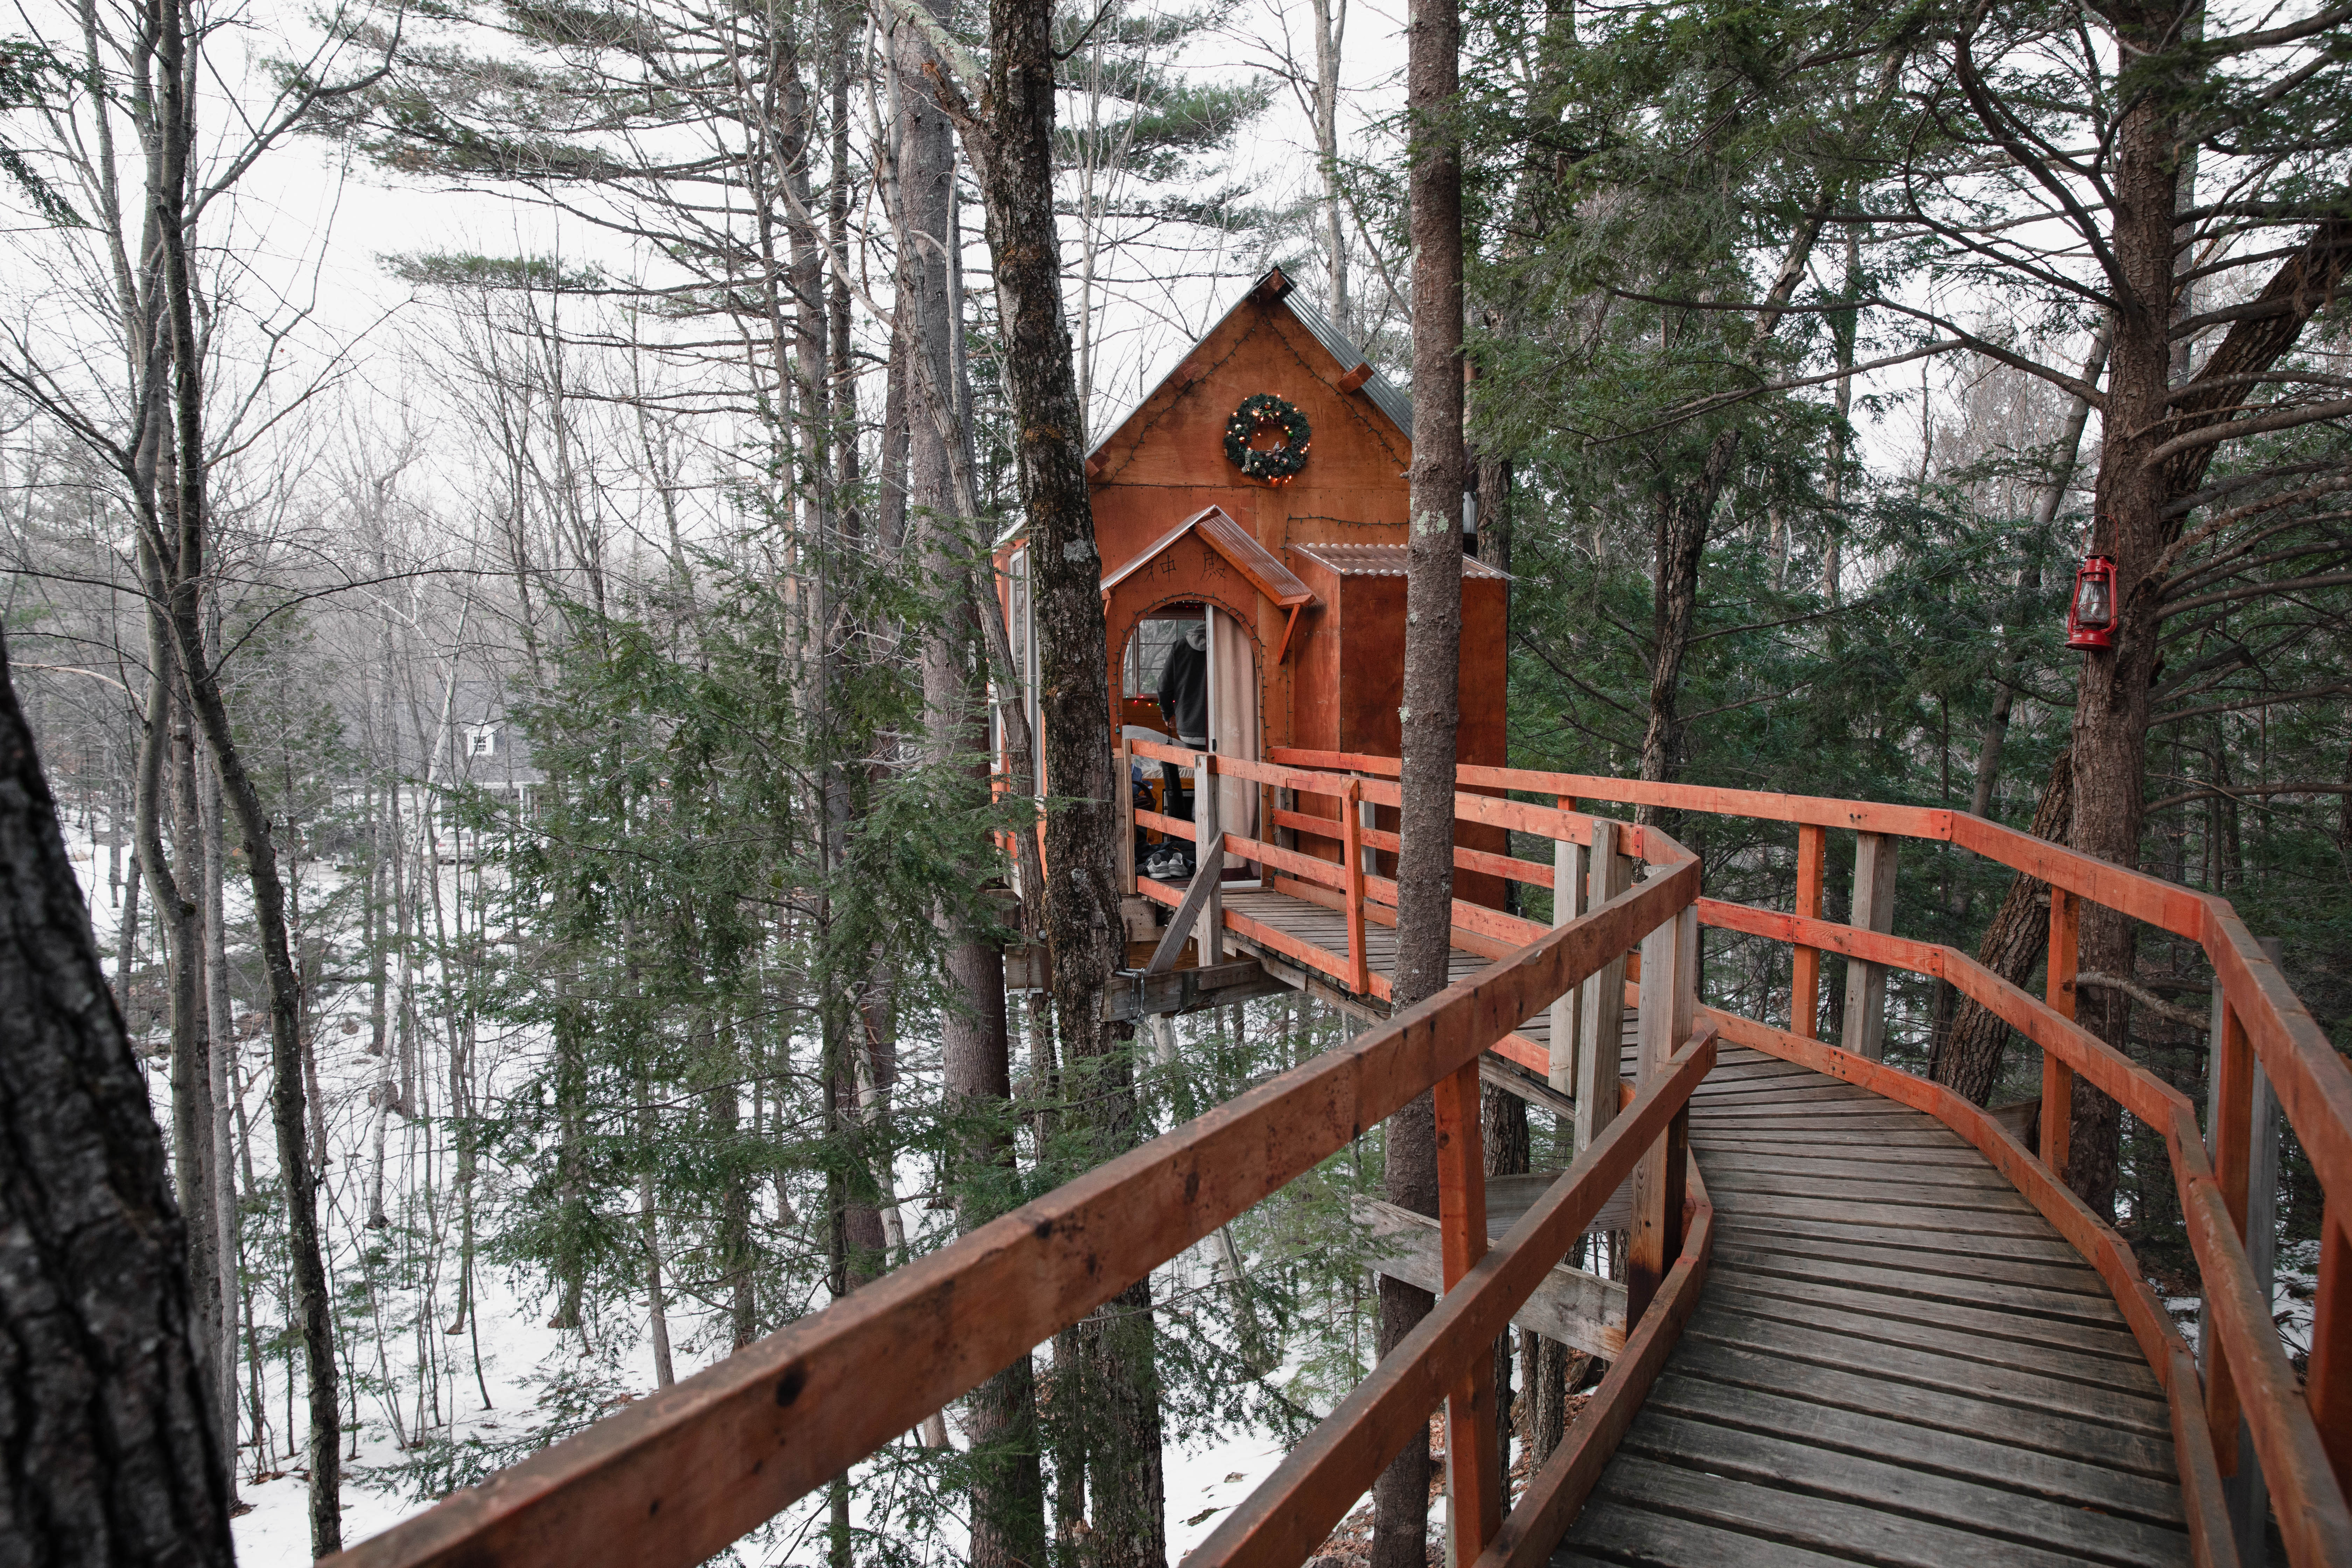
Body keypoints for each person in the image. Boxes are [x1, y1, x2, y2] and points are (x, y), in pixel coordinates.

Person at [1148, 620, 1209, 878]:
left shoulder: (1181, 646)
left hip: (1189, 725)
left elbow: (1164, 686)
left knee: (1201, 777)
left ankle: (1195, 832)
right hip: (1225, 725)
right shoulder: (1226, 642)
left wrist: (1167, 714)